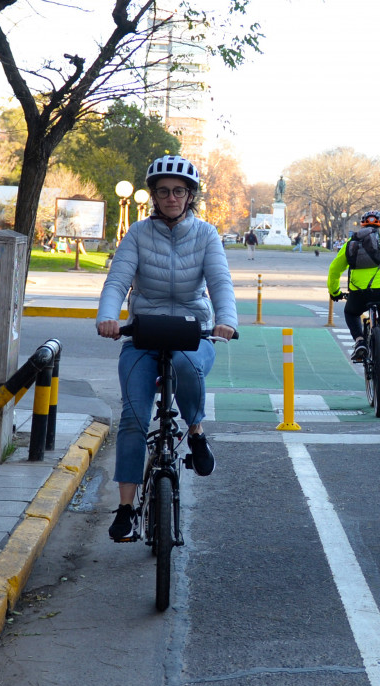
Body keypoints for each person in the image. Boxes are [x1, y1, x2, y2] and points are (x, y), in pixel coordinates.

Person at [96, 154, 238, 543]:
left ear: (190, 196)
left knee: (186, 366)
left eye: (179, 191)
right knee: (133, 419)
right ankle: (125, 508)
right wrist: (108, 317)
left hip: (194, 333)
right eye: (163, 192)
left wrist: (226, 321)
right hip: (143, 333)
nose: (171, 198)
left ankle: (195, 430)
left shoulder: (207, 235)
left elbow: (220, 283)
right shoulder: (138, 234)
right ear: (154, 197)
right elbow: (117, 282)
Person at [327, 210, 380, 397]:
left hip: (359, 292)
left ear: (362, 226)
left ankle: (359, 340)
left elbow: (334, 269)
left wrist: (334, 291)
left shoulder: (352, 243)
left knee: (351, 312)